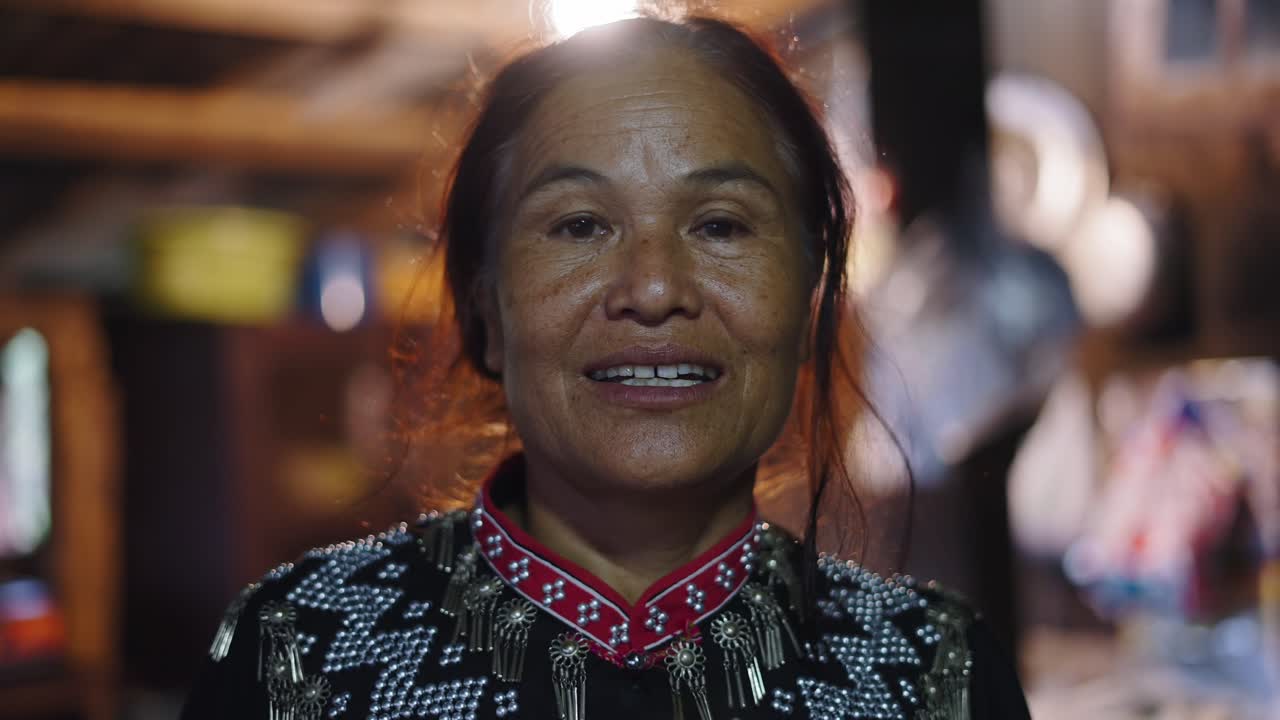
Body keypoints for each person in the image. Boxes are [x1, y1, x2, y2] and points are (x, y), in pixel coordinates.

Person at [181, 16, 1031, 720]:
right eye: (581, 225)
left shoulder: (936, 676)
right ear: (485, 307)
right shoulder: (297, 657)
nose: (654, 289)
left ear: (809, 292)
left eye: (721, 225)